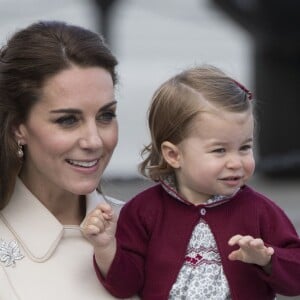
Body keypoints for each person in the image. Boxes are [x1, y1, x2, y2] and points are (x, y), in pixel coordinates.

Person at [83, 65, 300, 299]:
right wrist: (105, 248)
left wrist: (267, 259)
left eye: (245, 147)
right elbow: (124, 286)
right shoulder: (143, 212)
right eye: (219, 150)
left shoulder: (259, 210)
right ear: (174, 155)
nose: (236, 162)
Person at [0, 20, 137, 300]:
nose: (94, 141)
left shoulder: (149, 229)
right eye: (68, 120)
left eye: (106, 115)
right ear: (18, 127)